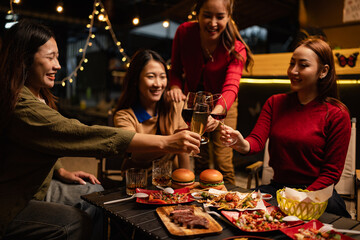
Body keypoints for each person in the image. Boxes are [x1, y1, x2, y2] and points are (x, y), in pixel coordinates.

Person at [0, 19, 201, 239]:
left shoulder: (38, 95)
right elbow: (72, 133)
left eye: (163, 76)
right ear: (25, 60)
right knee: (74, 222)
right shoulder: (21, 103)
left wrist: (60, 171)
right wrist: (167, 141)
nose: (58, 65)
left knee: (95, 193)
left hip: (39, 184)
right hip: (15, 198)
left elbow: (41, 141)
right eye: (50, 57)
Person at [221, 38, 351, 217]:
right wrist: (242, 143)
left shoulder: (337, 114)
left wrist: (299, 198)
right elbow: (256, 141)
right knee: (235, 215)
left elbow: (331, 173)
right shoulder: (275, 102)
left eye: (303, 65)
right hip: (278, 189)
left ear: (323, 71)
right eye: (292, 63)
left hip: (318, 195)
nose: (293, 71)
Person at [167, 0, 253, 184]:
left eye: (220, 17)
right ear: (197, 14)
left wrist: (216, 115)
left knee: (223, 161)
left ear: (228, 17)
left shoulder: (236, 48)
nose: (213, 23)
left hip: (224, 106)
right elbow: (175, 70)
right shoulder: (184, 32)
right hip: (195, 106)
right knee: (200, 157)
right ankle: (200, 204)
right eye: (207, 15)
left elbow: (231, 87)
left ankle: (231, 204)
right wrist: (174, 87)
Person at [113, 49, 190, 171]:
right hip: (138, 183)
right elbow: (133, 149)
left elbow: (184, 151)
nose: (158, 84)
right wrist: (174, 142)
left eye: (162, 77)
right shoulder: (124, 116)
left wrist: (187, 183)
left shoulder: (175, 106)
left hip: (172, 182)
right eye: (151, 77)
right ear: (135, 80)